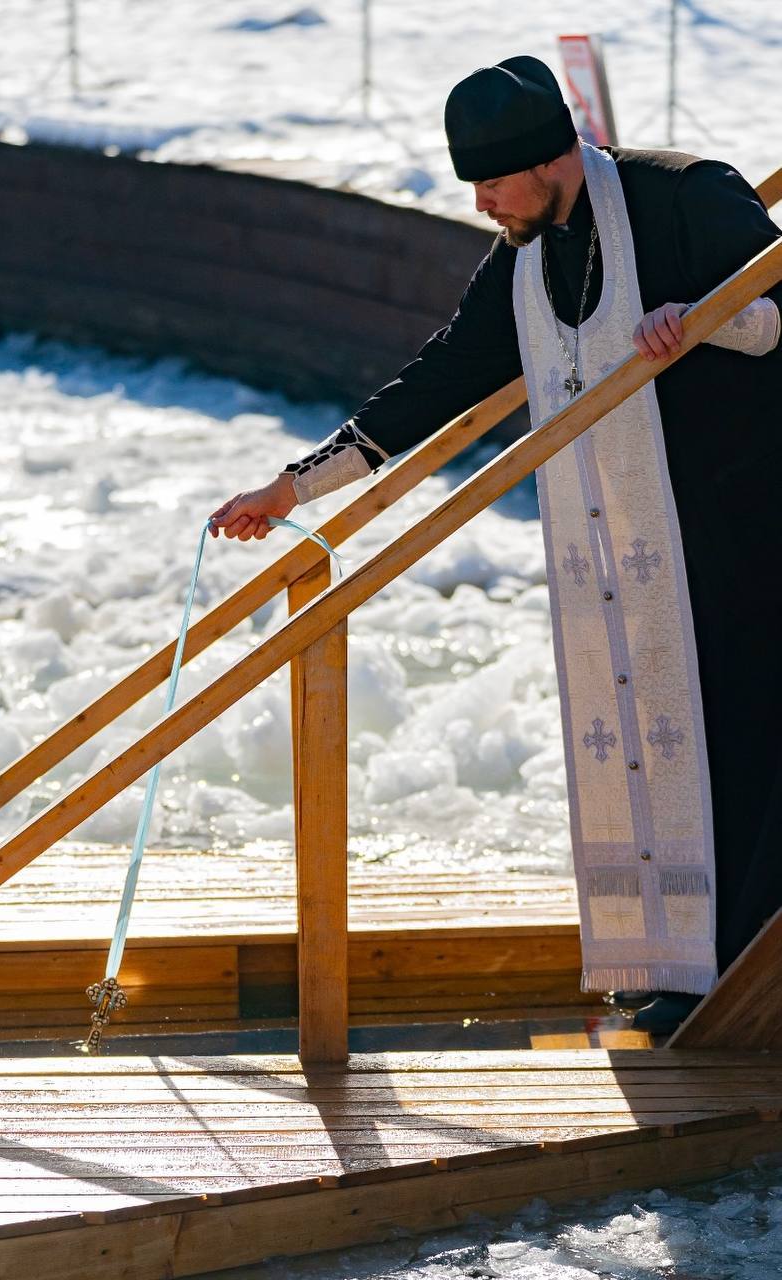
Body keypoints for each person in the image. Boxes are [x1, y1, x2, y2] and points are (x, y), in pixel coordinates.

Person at [209, 56, 782, 1035]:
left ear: (544, 160)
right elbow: (440, 380)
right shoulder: (528, 262)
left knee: (749, 750)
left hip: (750, 537)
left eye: (488, 181)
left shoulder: (688, 194)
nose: (479, 203)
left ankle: (742, 980)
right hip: (646, 562)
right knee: (664, 751)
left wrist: (708, 326)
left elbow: (777, 317)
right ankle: (683, 969)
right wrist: (293, 486)